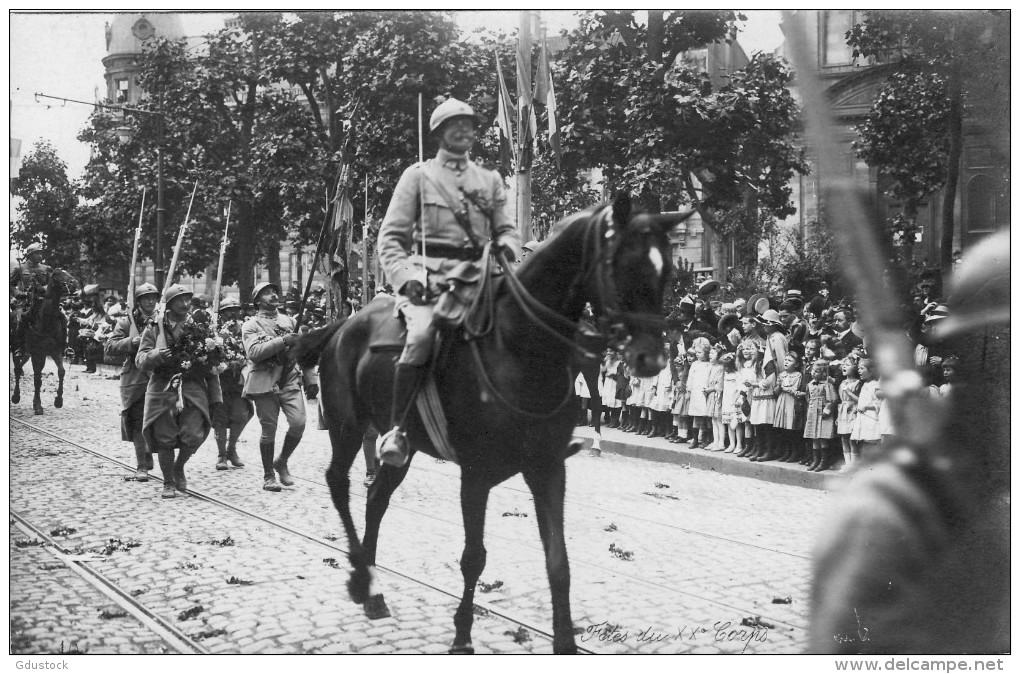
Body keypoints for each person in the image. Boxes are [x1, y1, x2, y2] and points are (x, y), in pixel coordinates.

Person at [375, 97, 521, 467]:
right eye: (454, 124)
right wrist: (406, 279)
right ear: (438, 133)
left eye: (469, 124)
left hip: (480, 277)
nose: (463, 130)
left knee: (523, 325)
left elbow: (507, 231)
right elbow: (391, 238)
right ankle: (398, 430)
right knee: (422, 336)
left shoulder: (488, 180)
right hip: (430, 281)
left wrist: (505, 246)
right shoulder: (418, 176)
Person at [136, 284, 223, 499]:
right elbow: (140, 360)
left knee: (194, 434)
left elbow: (211, 363)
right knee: (164, 437)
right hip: (163, 386)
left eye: (187, 300)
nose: (184, 304)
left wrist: (216, 394)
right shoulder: (155, 326)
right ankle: (167, 481)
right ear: (169, 303)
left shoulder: (199, 326)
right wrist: (157, 354)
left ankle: (179, 466)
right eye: (179, 300)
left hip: (192, 386)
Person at [242, 281, 318, 492]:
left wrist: (311, 380)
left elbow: (304, 354)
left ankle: (282, 460)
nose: (273, 296)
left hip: (291, 379)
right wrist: (283, 340)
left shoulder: (290, 321)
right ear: (257, 301)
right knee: (269, 429)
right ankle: (268, 476)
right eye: (267, 293)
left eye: (274, 292)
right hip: (265, 381)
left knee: (298, 422)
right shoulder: (251, 325)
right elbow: (254, 353)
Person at [104, 283, 161, 481]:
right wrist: (131, 342)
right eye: (146, 298)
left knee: (161, 420)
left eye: (153, 297)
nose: (150, 301)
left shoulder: (161, 319)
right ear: (138, 302)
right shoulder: (127, 322)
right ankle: (141, 465)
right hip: (135, 379)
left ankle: (150, 450)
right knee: (137, 421)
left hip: (159, 375)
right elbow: (110, 345)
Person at [212, 297, 253, 471]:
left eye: (235, 309)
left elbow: (252, 350)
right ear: (221, 314)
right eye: (228, 310)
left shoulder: (245, 330)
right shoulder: (214, 331)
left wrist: (243, 362)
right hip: (220, 381)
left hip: (239, 382)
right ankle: (221, 454)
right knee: (219, 418)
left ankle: (232, 449)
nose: (232, 313)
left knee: (241, 415)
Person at [10, 243, 53, 337]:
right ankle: (20, 348)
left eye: (40, 253)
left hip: (43, 302)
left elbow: (51, 285)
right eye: (36, 253)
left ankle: (64, 347)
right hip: (25, 302)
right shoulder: (20, 268)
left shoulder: (46, 268)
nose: (40, 256)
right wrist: (19, 294)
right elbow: (10, 285)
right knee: (19, 321)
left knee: (61, 318)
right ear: (29, 255)